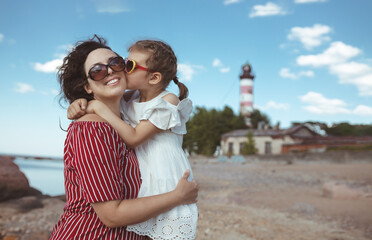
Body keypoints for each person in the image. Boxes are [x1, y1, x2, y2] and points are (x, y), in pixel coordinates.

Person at [50, 36, 198, 240]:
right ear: (88, 87)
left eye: (117, 63)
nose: (110, 71)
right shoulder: (92, 130)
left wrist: (92, 103)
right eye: (97, 70)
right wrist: (177, 197)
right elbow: (111, 215)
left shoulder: (126, 120)